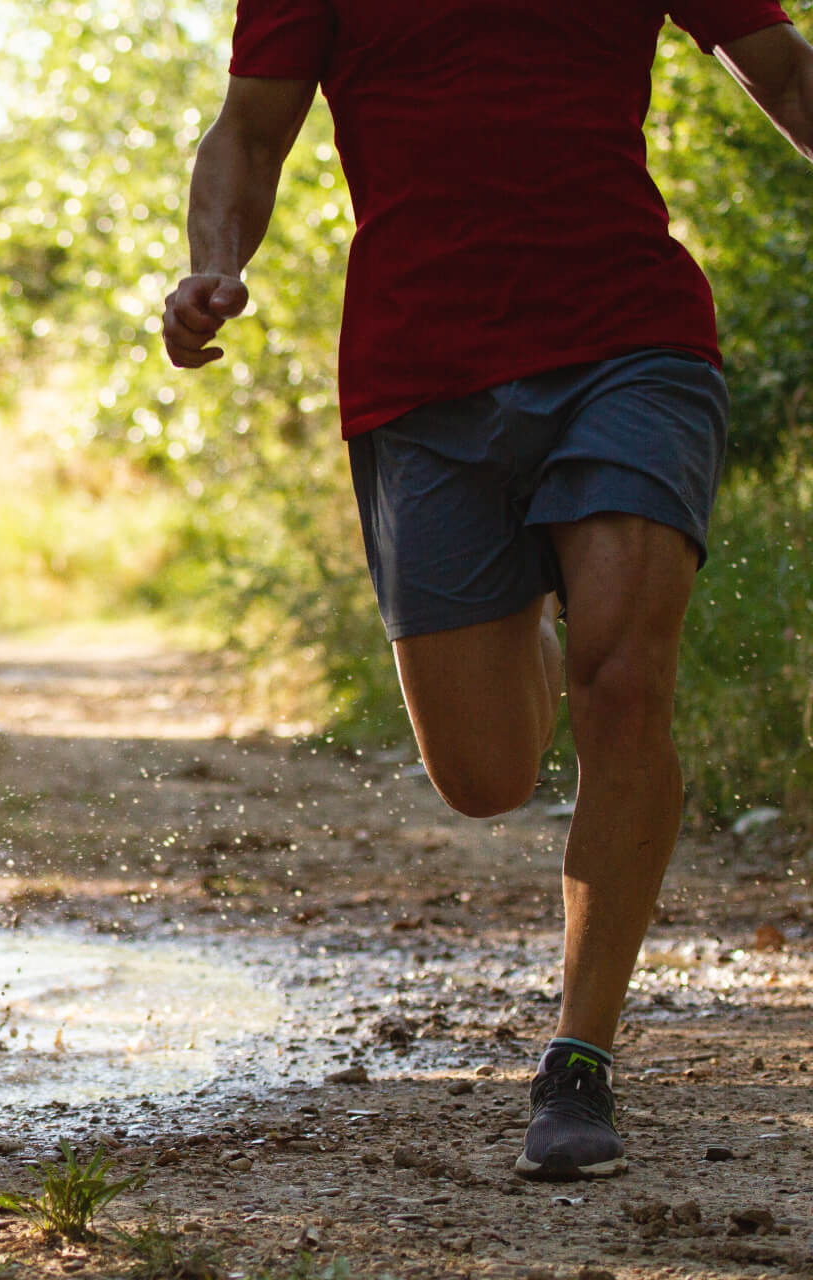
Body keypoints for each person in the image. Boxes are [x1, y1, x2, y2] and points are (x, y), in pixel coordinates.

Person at [163, 3, 813, 1182]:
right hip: (423, 375)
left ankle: (580, 1059)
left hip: (633, 339)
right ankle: (553, 597)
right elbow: (251, 132)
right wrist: (213, 263)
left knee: (627, 676)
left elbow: (784, 72)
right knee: (485, 775)